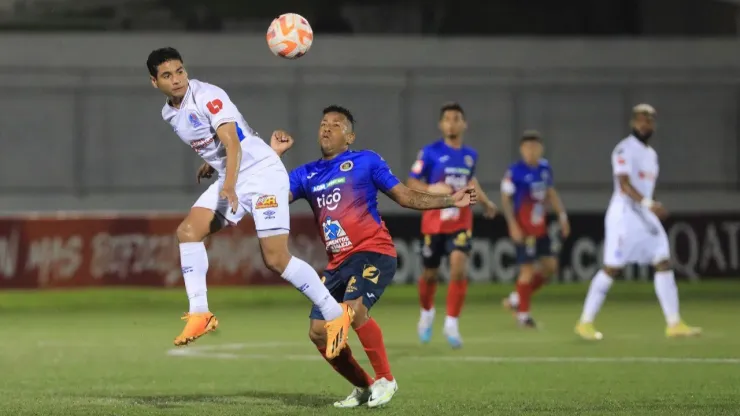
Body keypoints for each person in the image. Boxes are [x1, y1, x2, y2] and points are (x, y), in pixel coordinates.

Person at [147, 47, 352, 358]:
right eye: (167, 75)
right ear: (154, 82)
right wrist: (213, 165)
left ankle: (335, 314)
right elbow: (218, 144)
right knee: (188, 232)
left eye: (179, 71)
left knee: (276, 259)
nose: (176, 79)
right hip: (233, 174)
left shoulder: (207, 96)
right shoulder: (168, 112)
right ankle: (200, 313)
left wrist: (228, 183)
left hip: (262, 175)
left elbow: (232, 141)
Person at [270, 105, 476, 408]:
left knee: (352, 308)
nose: (327, 128)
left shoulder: (366, 161)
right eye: (323, 123)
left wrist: (448, 200)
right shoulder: (306, 174)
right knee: (317, 333)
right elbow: (271, 198)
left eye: (336, 125)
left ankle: (386, 379)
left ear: (349, 136)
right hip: (337, 262)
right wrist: (274, 158)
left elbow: (404, 195)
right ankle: (364, 386)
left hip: (373, 251)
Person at [575, 104, 701, 340]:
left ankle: (674, 323)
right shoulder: (624, 149)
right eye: (641, 120)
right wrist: (648, 203)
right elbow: (623, 184)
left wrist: (647, 205)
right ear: (633, 123)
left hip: (644, 214)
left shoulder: (652, 155)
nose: (645, 124)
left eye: (649, 121)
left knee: (663, 261)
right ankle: (585, 322)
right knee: (613, 268)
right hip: (624, 215)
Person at [406, 102, 497, 349]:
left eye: (456, 118)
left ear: (464, 124)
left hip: (461, 221)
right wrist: (430, 188)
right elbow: (411, 181)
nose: (451, 123)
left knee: (458, 267)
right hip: (434, 223)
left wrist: (486, 202)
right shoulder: (429, 152)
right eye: (447, 119)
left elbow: (471, 182)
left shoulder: (470, 155)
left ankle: (452, 323)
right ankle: (426, 314)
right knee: (429, 274)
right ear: (441, 124)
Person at [499, 130, 569, 328]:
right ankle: (523, 316)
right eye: (527, 146)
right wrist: (513, 225)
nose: (531, 150)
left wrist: (562, 216)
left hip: (541, 228)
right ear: (522, 149)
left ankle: (515, 299)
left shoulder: (545, 168)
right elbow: (505, 199)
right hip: (524, 228)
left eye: (535, 146)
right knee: (527, 270)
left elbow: (551, 193)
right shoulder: (514, 171)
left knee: (550, 268)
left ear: (541, 149)